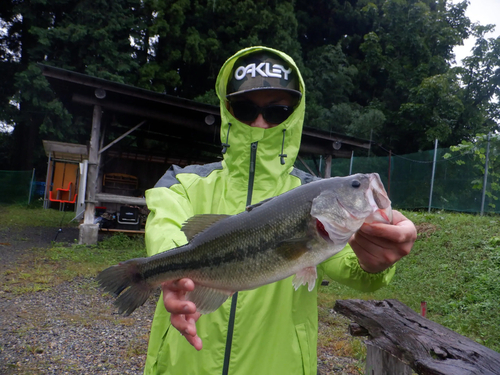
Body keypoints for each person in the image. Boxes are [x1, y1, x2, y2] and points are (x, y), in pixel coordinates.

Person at [143, 46, 417, 375]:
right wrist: (175, 277)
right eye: (244, 108)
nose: (260, 123)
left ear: (295, 114)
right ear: (226, 110)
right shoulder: (183, 182)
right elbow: (166, 228)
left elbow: (352, 268)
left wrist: (375, 262)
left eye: (278, 111)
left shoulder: (313, 196)